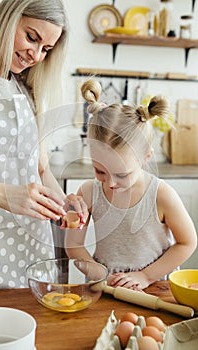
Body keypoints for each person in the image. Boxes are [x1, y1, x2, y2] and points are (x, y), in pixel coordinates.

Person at [0, 0, 86, 291]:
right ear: (7, 19)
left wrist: (62, 202)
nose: (35, 55)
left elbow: (40, 169)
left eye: (46, 49)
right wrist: (2, 194)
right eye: (32, 37)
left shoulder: (27, 88)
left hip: (30, 250)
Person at [65, 79, 197, 291]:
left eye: (122, 174)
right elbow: (74, 244)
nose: (110, 183)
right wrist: (99, 274)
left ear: (146, 157)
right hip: (106, 287)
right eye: (99, 171)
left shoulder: (161, 195)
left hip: (154, 287)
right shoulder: (89, 192)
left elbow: (187, 242)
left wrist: (146, 276)